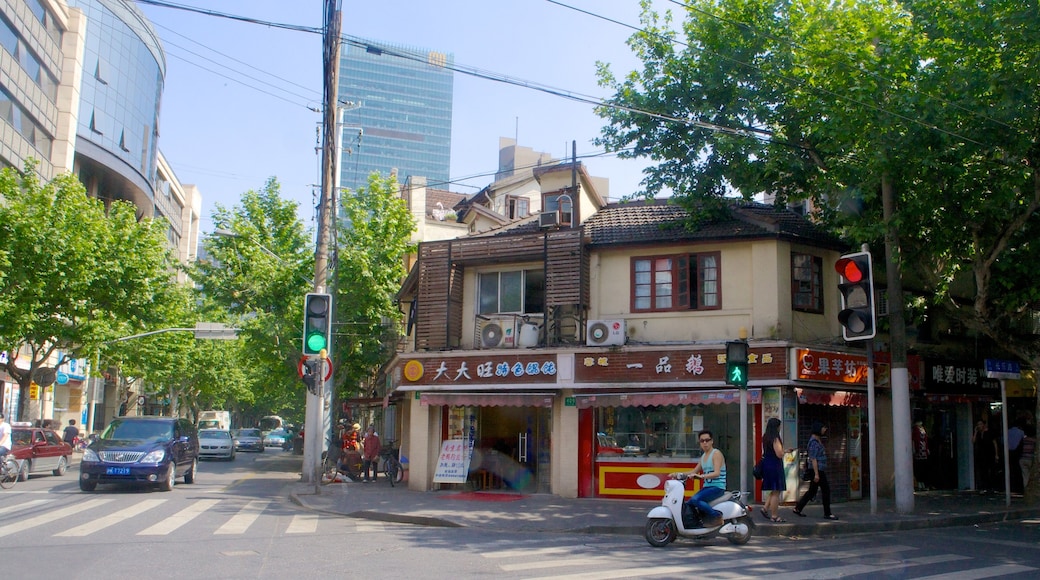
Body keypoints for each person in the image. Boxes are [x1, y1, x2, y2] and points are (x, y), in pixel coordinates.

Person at [671, 430, 726, 527]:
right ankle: (698, 523)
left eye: (707, 440)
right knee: (690, 502)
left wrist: (701, 476)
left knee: (696, 499)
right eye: (702, 441)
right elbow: (694, 471)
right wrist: (679, 474)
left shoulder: (716, 454)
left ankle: (717, 517)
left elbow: (717, 473)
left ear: (712, 441)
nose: (705, 443)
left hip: (717, 487)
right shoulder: (704, 456)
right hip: (708, 487)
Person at [793, 421, 838, 520]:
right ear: (818, 429)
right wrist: (816, 474)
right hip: (817, 470)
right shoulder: (813, 442)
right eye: (823, 428)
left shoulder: (818, 440)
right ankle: (827, 513)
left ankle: (798, 508)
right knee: (825, 490)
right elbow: (813, 458)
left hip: (818, 470)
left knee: (812, 491)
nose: (825, 430)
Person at [760, 417, 790, 523]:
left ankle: (765, 508)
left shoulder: (765, 436)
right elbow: (779, 454)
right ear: (776, 427)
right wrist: (784, 451)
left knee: (773, 489)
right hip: (775, 465)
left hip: (767, 464)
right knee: (776, 491)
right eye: (779, 426)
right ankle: (774, 515)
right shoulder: (775, 438)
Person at [973, 419, 999, 493]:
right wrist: (975, 432)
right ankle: (984, 487)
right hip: (981, 455)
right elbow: (973, 441)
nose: (979, 426)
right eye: (978, 425)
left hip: (990, 454)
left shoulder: (990, 432)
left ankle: (993, 487)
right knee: (983, 472)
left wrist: (996, 454)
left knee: (992, 471)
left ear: (984, 425)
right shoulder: (978, 433)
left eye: (980, 424)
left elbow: (995, 443)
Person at [1007, 420, 1025, 494]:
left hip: (1009, 452)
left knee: (1011, 470)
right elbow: (1023, 441)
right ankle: (1019, 487)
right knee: (1018, 470)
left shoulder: (1007, 432)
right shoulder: (1021, 432)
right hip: (1018, 452)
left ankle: (1012, 486)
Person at [912, 420, 929, 491]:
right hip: (919, 452)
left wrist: (927, 449)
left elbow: (925, 440)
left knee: (922, 467)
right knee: (919, 467)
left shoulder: (922, 429)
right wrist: (915, 450)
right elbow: (914, 440)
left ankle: (922, 483)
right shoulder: (915, 430)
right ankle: (919, 483)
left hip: (923, 451)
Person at [1020, 424, 1036, 491]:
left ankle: (1026, 489)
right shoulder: (1034, 441)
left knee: (1025, 476)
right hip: (1031, 458)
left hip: (1023, 458)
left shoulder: (1023, 440)